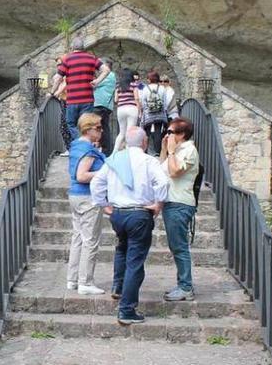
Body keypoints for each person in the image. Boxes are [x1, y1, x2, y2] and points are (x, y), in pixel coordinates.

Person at [90, 126, 170, 324]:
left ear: (125, 142)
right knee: (135, 261)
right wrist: (158, 204)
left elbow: (96, 184)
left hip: (118, 214)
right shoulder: (149, 161)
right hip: (139, 214)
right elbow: (163, 183)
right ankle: (126, 310)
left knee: (122, 249)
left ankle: (118, 286)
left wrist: (104, 205)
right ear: (144, 143)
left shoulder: (114, 160)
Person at [159, 118, 200, 301]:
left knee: (179, 247)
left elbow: (175, 173)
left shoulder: (189, 150)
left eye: (171, 132)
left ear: (182, 134)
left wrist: (171, 151)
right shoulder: (177, 151)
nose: (168, 135)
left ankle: (186, 287)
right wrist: (164, 150)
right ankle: (182, 284)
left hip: (180, 203)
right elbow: (162, 170)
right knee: (175, 246)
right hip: (171, 202)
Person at [66, 113, 107, 295]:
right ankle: (86, 282)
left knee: (78, 238)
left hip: (75, 196)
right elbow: (82, 176)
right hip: (88, 197)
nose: (101, 130)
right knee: (90, 240)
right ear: (87, 128)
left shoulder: (76, 146)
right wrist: (104, 173)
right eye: (98, 127)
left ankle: (72, 279)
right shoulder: (88, 150)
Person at [51, 38, 106, 141]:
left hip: (72, 100)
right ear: (83, 47)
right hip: (87, 99)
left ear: (72, 47)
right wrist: (97, 81)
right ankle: (86, 143)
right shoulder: (91, 58)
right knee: (86, 124)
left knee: (71, 123)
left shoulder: (67, 59)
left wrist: (52, 92)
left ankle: (81, 142)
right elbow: (106, 69)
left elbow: (58, 78)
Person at [140, 71, 168, 156]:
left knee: (146, 132)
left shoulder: (145, 88)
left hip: (148, 114)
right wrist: (164, 111)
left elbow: (143, 102)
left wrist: (145, 111)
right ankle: (157, 152)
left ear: (149, 79)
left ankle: (145, 151)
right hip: (159, 113)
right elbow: (165, 102)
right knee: (157, 132)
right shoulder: (162, 88)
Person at [49, 57, 72, 156]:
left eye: (60, 64)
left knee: (66, 125)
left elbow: (65, 85)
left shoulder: (67, 73)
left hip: (68, 100)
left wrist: (55, 93)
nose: (58, 67)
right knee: (64, 125)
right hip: (64, 100)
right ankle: (70, 148)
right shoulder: (62, 74)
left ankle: (71, 148)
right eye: (57, 65)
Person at [93, 59, 116, 155]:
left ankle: (105, 150)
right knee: (104, 127)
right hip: (105, 105)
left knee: (96, 126)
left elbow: (93, 84)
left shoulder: (109, 75)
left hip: (101, 104)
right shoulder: (111, 76)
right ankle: (106, 150)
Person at [113, 70, 141, 151]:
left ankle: (114, 152)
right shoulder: (134, 85)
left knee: (121, 133)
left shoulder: (118, 86)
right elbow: (137, 98)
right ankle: (128, 152)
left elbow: (115, 100)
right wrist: (139, 110)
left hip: (121, 109)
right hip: (132, 108)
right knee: (130, 132)